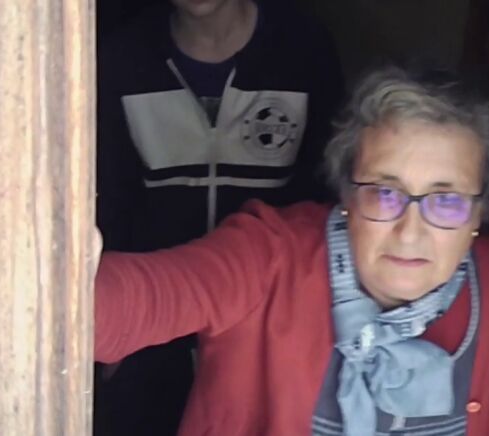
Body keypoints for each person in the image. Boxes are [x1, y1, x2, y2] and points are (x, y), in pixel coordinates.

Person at [95, 64, 489, 436]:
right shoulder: (265, 257)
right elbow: (135, 300)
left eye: (446, 200)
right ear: (346, 196)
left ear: (480, 214)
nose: (409, 232)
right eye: (384, 193)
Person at [94, 0, 344, 434]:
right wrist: (114, 320)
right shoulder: (122, 56)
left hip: (265, 320)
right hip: (156, 307)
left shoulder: (303, 47)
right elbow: (108, 196)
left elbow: (325, 192)